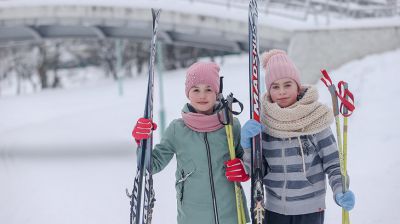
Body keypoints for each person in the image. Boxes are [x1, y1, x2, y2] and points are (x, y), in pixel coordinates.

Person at [241, 49, 355, 224]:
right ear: (269, 90)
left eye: (287, 85)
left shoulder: (314, 119)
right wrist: (248, 147)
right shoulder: (264, 123)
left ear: (298, 86)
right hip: (273, 209)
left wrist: (340, 190)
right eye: (275, 87)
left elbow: (333, 163)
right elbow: (258, 171)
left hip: (310, 210)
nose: (282, 92)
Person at [132, 61, 250, 224]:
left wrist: (244, 168)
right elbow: (151, 166)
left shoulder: (230, 125)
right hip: (192, 216)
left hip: (231, 214)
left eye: (208, 89)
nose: (202, 95)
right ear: (188, 93)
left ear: (216, 93)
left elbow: (246, 159)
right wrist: (141, 142)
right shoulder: (177, 129)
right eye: (196, 90)